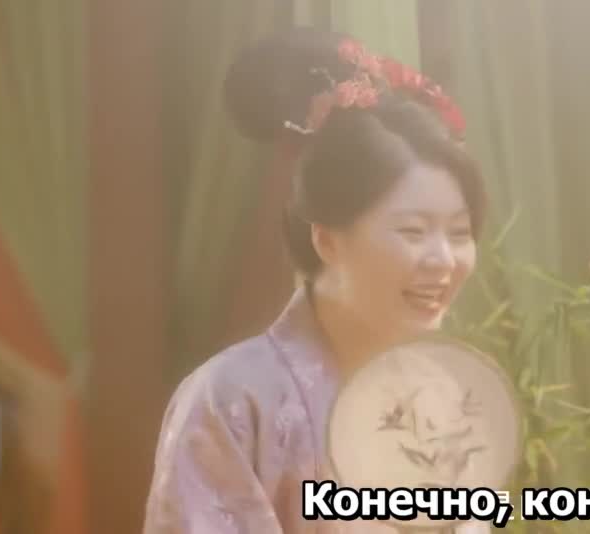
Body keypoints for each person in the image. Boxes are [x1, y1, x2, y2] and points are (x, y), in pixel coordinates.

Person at [142, 25, 489, 534]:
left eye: (459, 233)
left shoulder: (441, 399)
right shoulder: (233, 399)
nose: (444, 260)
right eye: (413, 231)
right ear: (328, 240)